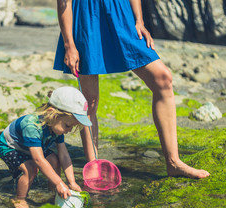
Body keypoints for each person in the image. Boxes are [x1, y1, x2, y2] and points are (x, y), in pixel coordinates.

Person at [53, 0, 210, 179]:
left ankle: (173, 162)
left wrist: (139, 20)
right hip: (87, 16)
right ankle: (94, 168)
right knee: (89, 102)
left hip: (121, 13)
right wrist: (69, 45)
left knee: (163, 78)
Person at [0, 86, 91, 208]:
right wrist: (59, 182)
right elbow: (38, 160)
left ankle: (52, 192)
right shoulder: (32, 126)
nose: (68, 131)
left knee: (55, 160)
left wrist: (71, 182)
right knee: (31, 168)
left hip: (34, 145)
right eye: (67, 126)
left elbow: (64, 155)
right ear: (51, 113)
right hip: (11, 147)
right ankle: (19, 198)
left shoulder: (56, 127)